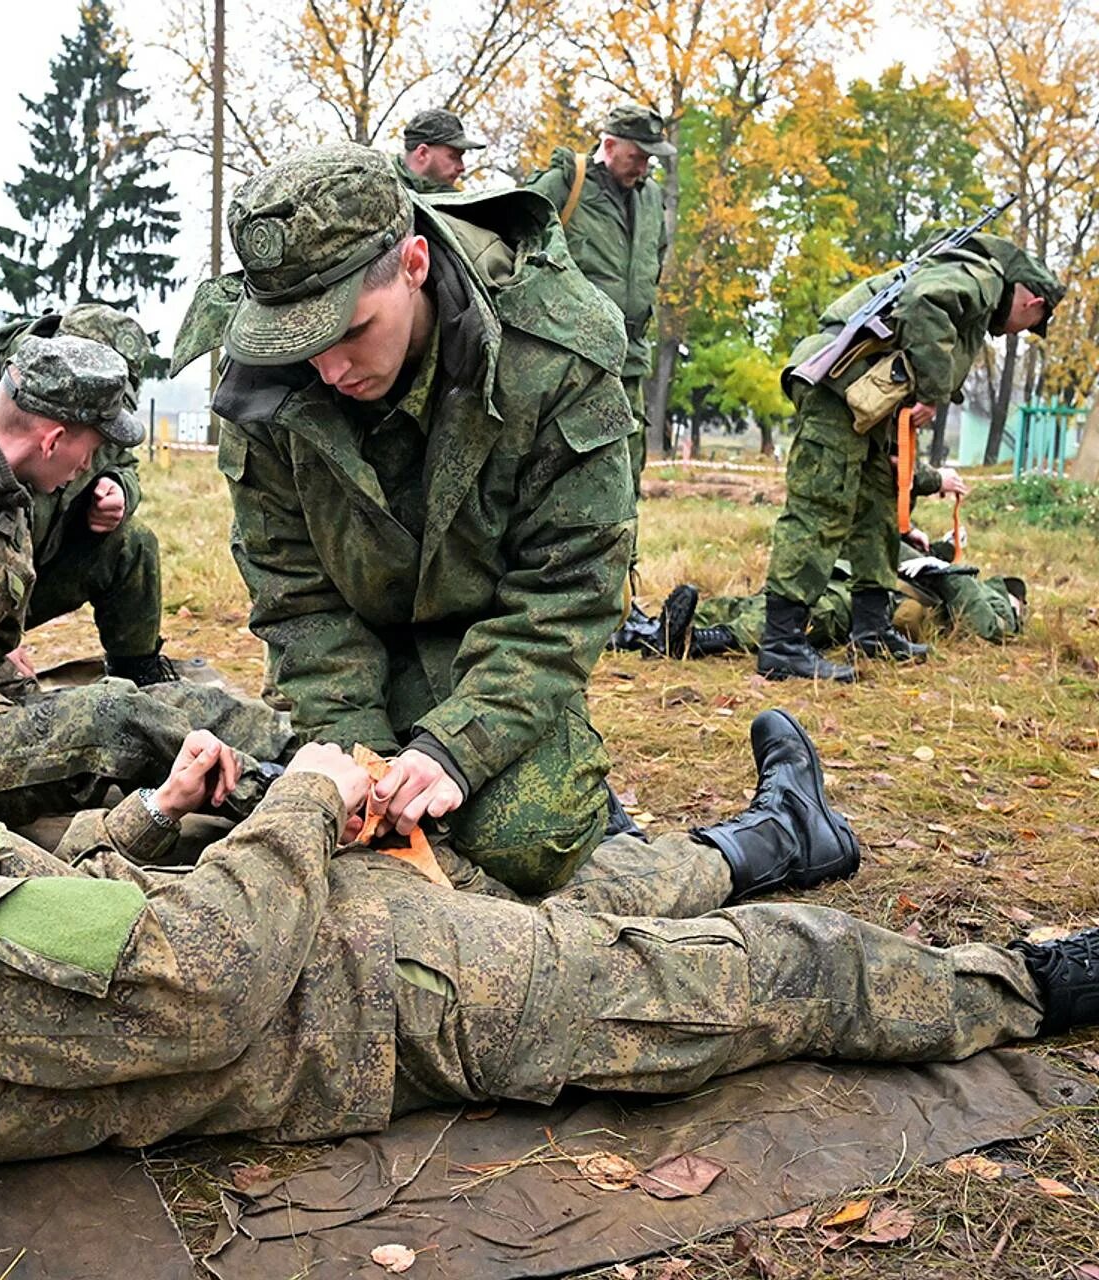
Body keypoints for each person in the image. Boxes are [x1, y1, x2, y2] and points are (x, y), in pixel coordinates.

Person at [0, 629, 1094, 1176]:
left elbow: (44, 900)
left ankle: (771, 832)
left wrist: (153, 817)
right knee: (759, 968)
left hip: (335, 941)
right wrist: (303, 801)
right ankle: (1033, 983)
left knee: (577, 881)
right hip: (373, 1003)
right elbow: (193, 983)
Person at [195, 143, 636, 896]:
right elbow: (300, 603)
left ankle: (627, 816)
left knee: (528, 842)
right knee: (360, 840)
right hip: (361, 641)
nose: (328, 370)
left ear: (414, 264)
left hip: (497, 638)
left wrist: (456, 748)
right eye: (302, 346)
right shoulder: (263, 383)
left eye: (349, 332)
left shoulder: (555, 354)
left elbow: (567, 595)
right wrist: (360, 763)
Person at [0, 337, 292, 829]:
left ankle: (317, 751)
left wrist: (40, 705)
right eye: (90, 448)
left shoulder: (14, 522)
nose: (87, 467)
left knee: (165, 700)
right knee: (110, 719)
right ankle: (287, 797)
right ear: (53, 440)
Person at [759, 233, 1064, 682]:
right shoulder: (981, 277)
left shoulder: (973, 282)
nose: (1018, 331)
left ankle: (871, 628)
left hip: (866, 398)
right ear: (1033, 301)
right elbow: (924, 302)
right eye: (1032, 322)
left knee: (877, 508)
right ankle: (781, 645)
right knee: (821, 506)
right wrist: (931, 390)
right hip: (839, 390)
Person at [0, 305, 175, 686]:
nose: (88, 461)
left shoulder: (92, 410)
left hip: (27, 577)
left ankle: (137, 674)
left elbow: (123, 463)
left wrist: (118, 489)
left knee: (133, 543)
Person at [526, 104, 672, 504]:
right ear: (608, 144)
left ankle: (626, 561)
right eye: (636, 156)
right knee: (572, 466)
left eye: (649, 158)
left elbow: (653, 258)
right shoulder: (564, 185)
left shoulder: (651, 197)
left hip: (630, 356)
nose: (643, 166)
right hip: (573, 358)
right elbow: (511, 243)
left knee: (628, 463)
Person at [641, 539, 1026, 660]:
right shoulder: (970, 578)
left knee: (818, 614)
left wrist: (943, 572)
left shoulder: (991, 598)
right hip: (858, 577)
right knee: (768, 601)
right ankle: (657, 631)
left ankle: (706, 640)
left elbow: (986, 628)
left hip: (879, 602)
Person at [394, 107, 487, 193]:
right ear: (423, 154)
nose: (462, 167)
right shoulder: (385, 190)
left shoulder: (452, 205)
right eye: (453, 157)